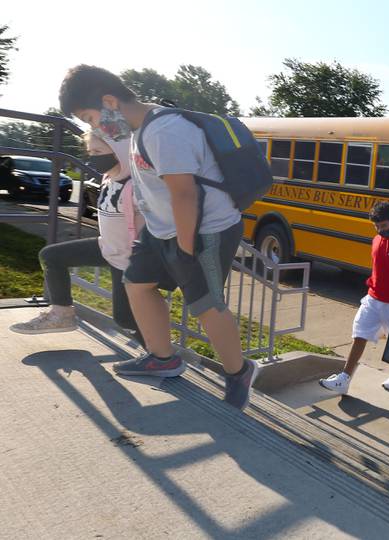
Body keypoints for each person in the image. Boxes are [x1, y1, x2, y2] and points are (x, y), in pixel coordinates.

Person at [58, 65, 256, 410]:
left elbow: (184, 194)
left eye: (91, 118)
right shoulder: (138, 129)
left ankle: (239, 372)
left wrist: (184, 248)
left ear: (109, 101)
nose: (95, 127)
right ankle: (162, 358)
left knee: (206, 305)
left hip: (204, 230)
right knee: (137, 283)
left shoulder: (165, 130)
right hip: (162, 228)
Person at [10, 131, 144, 343]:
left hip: (129, 260)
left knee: (125, 319)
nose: (93, 157)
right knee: (52, 256)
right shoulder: (109, 178)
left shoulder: (139, 186)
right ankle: (62, 314)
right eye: (90, 152)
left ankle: (161, 355)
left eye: (98, 151)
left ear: (120, 150)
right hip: (107, 247)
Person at [320, 201, 389, 394]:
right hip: (373, 298)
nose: (380, 230)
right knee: (359, 333)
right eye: (376, 226)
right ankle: (344, 378)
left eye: (383, 226)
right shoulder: (376, 240)